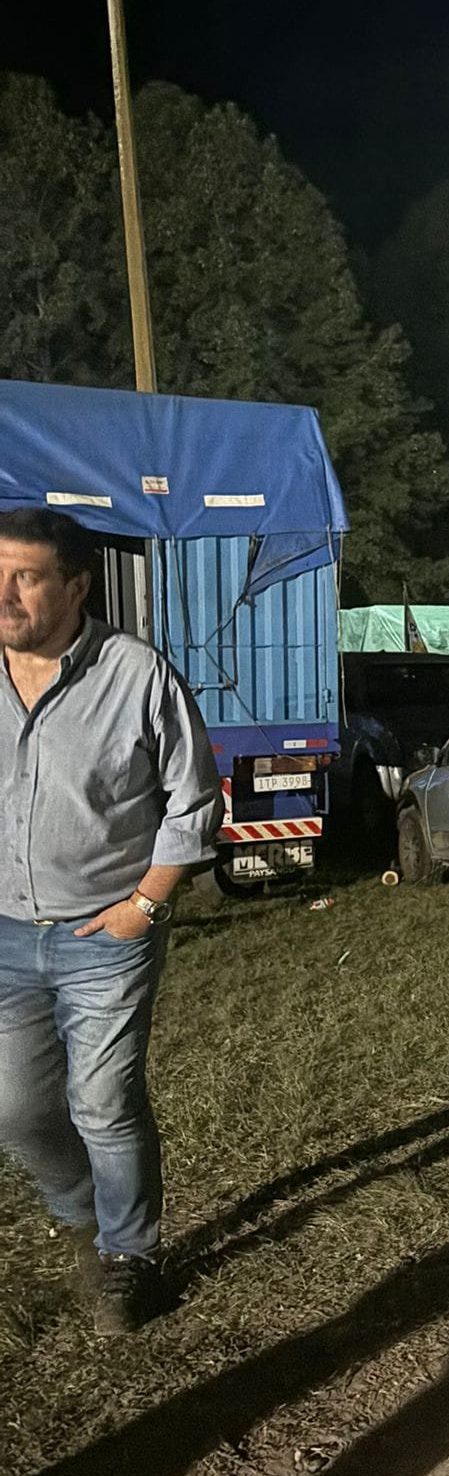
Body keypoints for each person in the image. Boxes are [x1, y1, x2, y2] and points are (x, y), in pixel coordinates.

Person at [0, 507, 222, 1334]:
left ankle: (130, 1255)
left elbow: (193, 801)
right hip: (5, 934)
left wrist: (144, 905)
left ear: (76, 587)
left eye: (25, 577)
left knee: (102, 1101)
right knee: (15, 1110)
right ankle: (78, 1210)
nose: (4, 593)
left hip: (106, 934)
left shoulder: (136, 675)